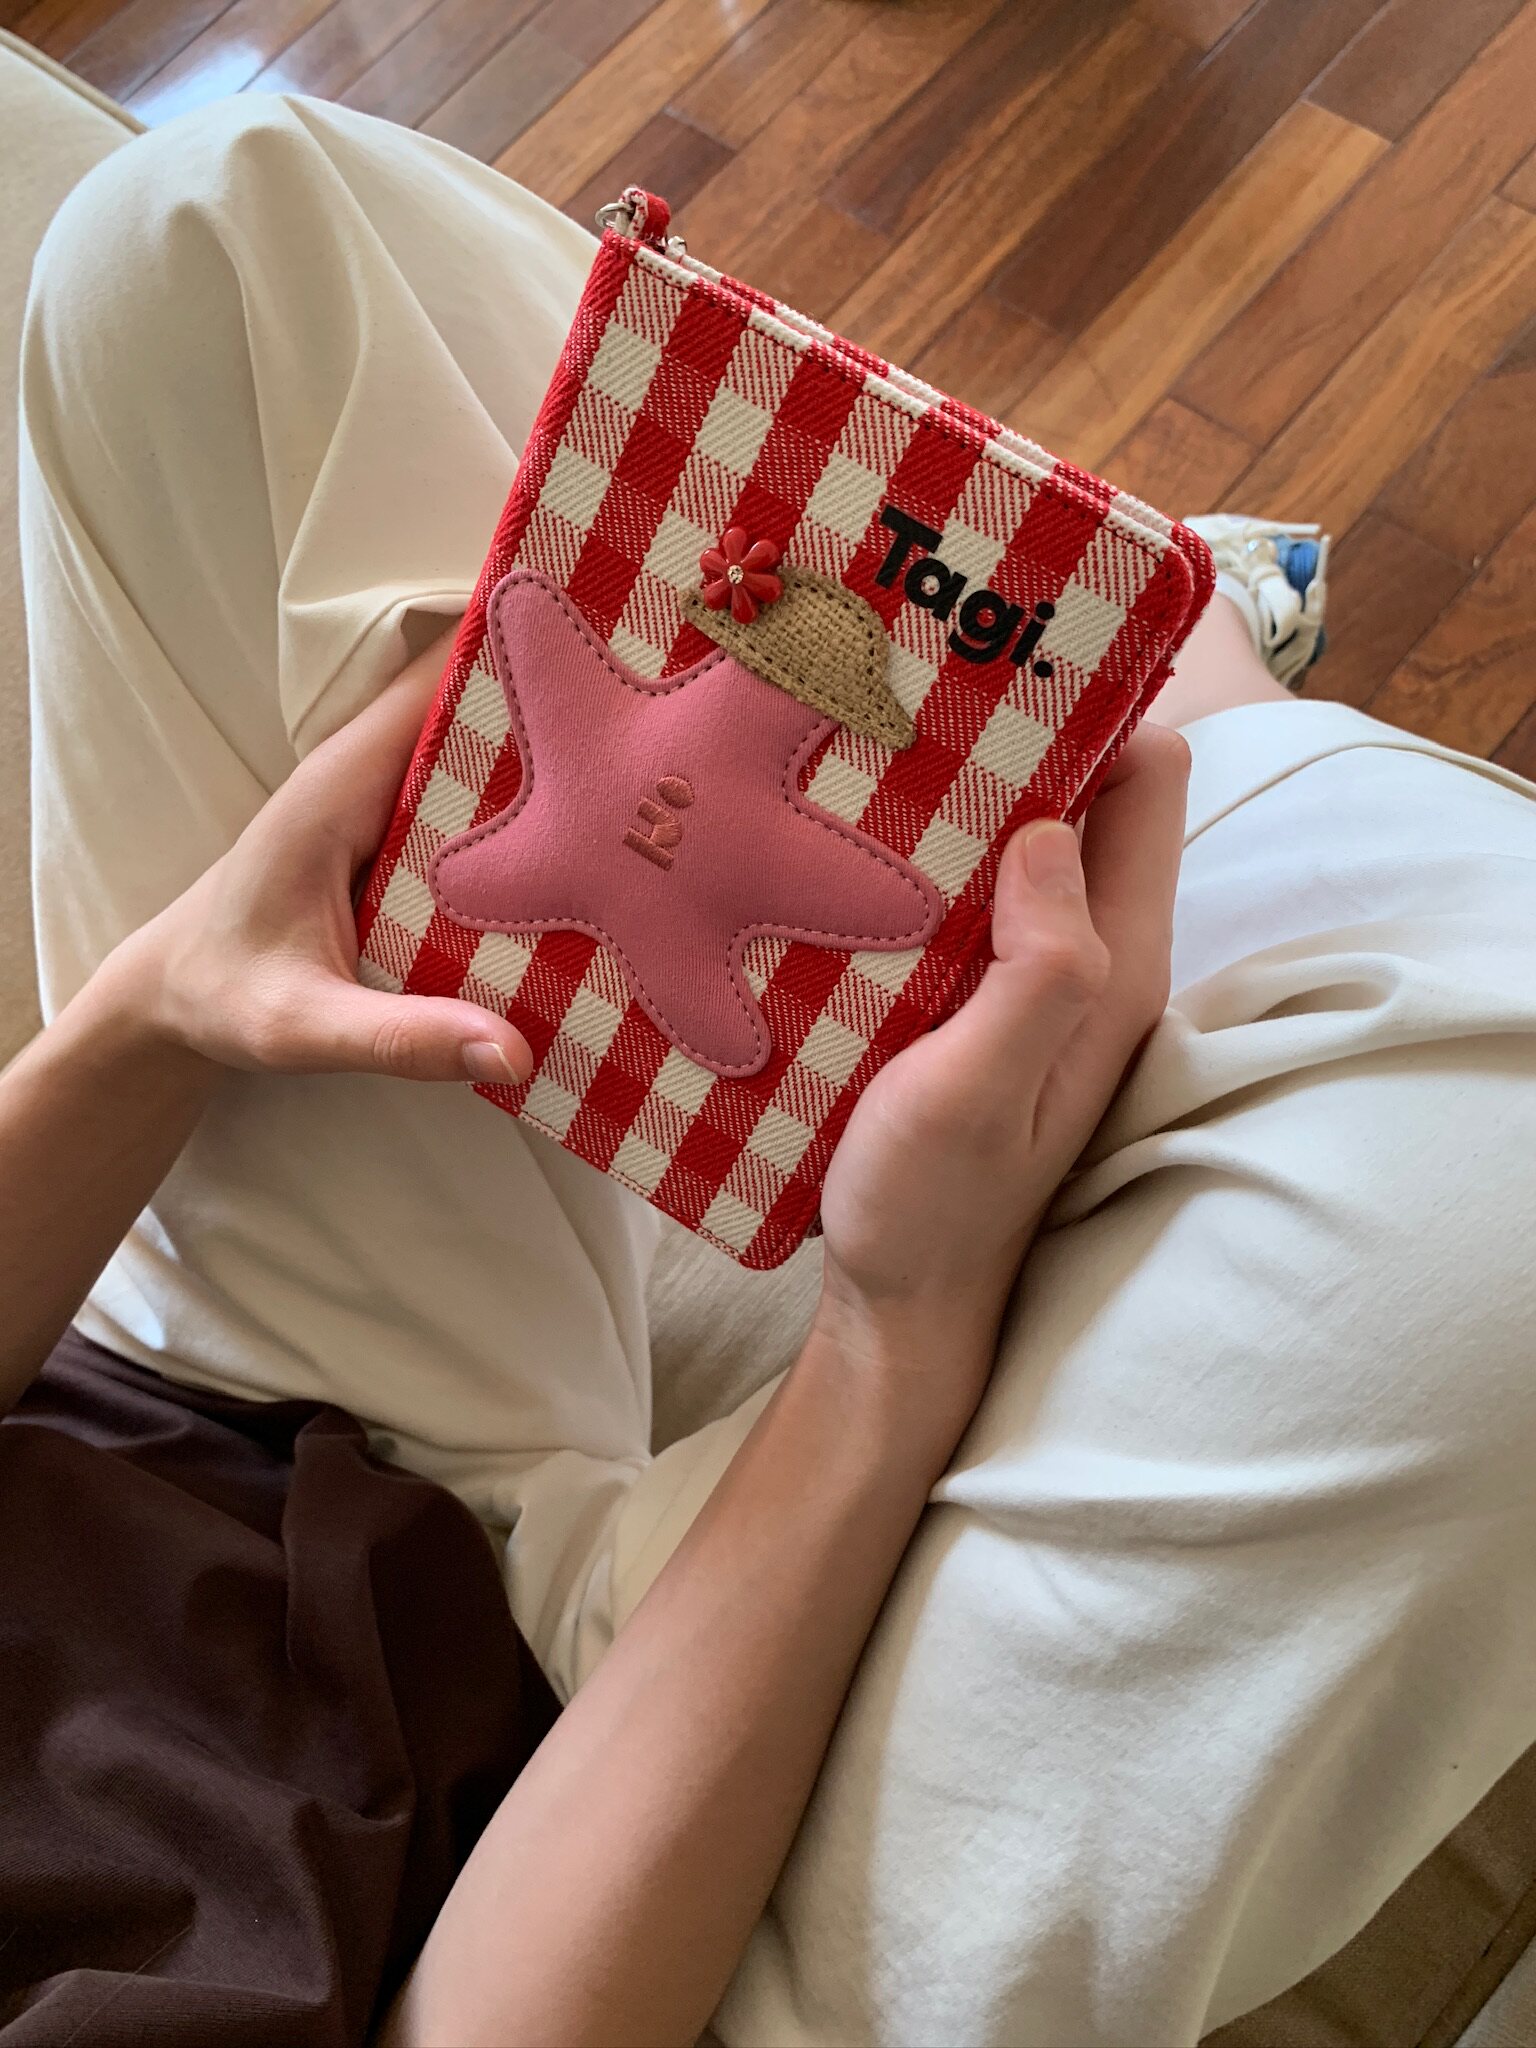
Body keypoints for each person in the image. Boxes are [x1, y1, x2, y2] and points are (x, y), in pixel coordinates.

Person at [5, 91, 1536, 2048]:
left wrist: (162, 1001)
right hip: (568, 1849)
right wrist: (896, 1330)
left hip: (183, 1383)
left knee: (208, 240)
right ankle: (1179, 694)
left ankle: (1133, 681)